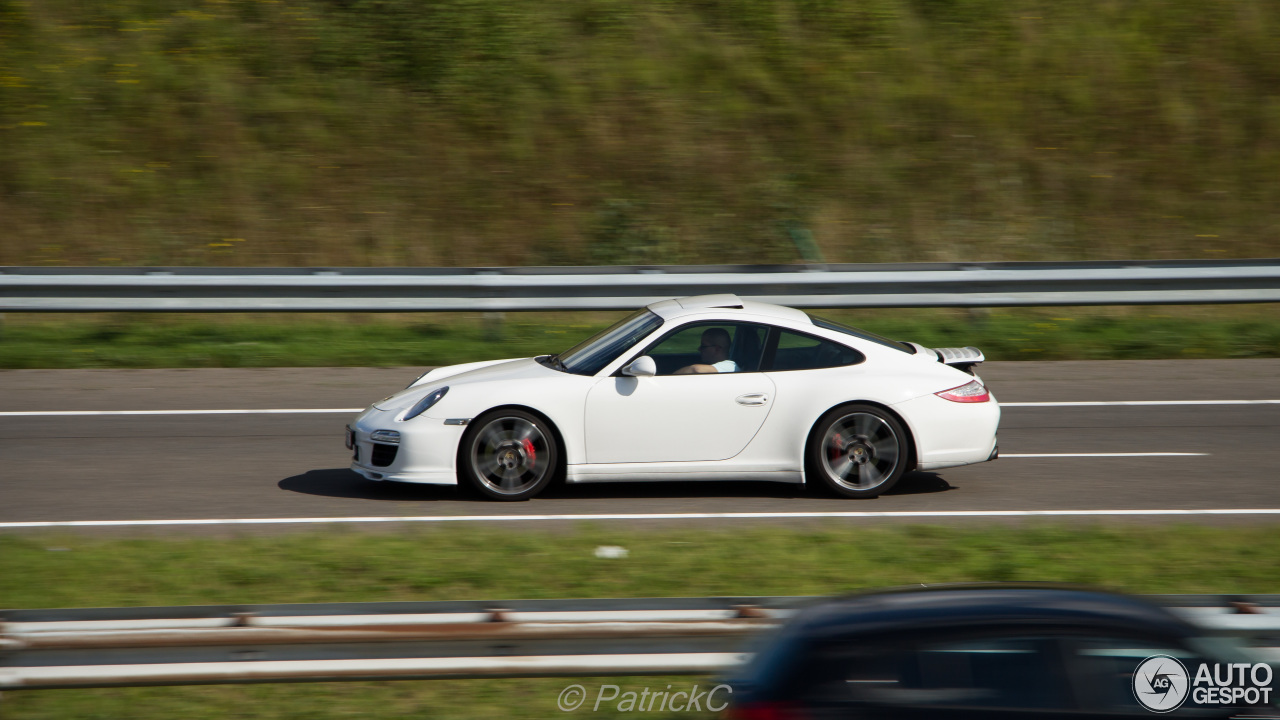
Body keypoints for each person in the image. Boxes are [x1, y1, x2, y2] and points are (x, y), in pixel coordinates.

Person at [674, 328, 738, 374]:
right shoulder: (717, 367)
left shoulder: (729, 366)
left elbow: (696, 369)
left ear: (717, 349)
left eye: (703, 346)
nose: (699, 349)